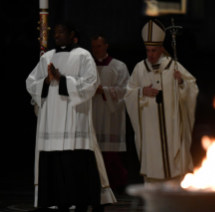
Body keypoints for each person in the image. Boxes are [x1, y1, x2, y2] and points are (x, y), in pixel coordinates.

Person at [26, 19, 116, 212]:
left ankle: (81, 200)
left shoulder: (83, 56)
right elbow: (31, 83)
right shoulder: (47, 57)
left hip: (75, 117)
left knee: (74, 158)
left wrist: (63, 80)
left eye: (60, 32)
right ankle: (57, 200)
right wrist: (46, 80)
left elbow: (91, 83)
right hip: (52, 119)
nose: (56, 35)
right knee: (54, 160)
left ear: (71, 34)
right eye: (55, 32)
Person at [124, 20, 198, 184]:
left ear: (162, 49)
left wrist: (181, 83)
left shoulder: (173, 67)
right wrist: (141, 92)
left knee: (173, 162)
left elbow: (192, 88)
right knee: (153, 160)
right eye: (148, 50)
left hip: (171, 125)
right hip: (150, 126)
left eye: (154, 50)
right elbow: (128, 93)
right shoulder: (140, 68)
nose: (150, 54)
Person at [91, 34, 129, 192]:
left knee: (109, 153)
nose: (96, 50)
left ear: (106, 46)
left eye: (99, 46)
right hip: (92, 112)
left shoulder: (119, 66)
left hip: (110, 114)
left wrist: (103, 91)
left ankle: (116, 182)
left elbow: (126, 90)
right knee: (94, 151)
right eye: (93, 47)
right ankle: (96, 182)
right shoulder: (88, 66)